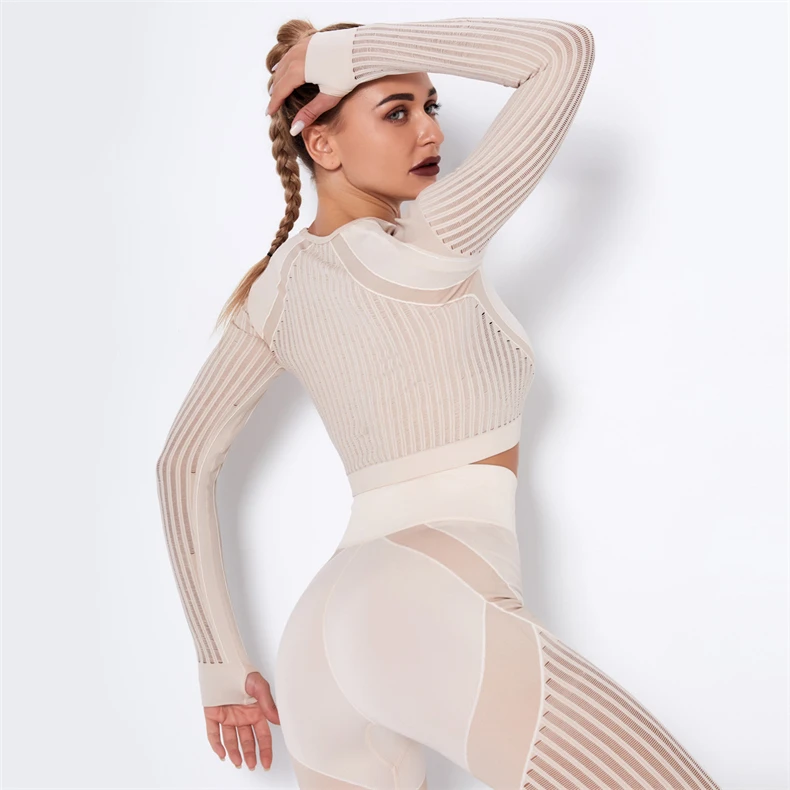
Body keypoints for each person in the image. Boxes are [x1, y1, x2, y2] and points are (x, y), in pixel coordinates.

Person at [155, 16, 721, 790]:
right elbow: (563, 52)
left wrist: (220, 664)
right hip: (423, 602)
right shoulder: (432, 236)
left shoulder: (272, 294)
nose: (430, 131)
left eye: (431, 106)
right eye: (396, 111)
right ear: (323, 145)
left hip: (323, 639)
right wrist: (341, 53)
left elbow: (181, 465)